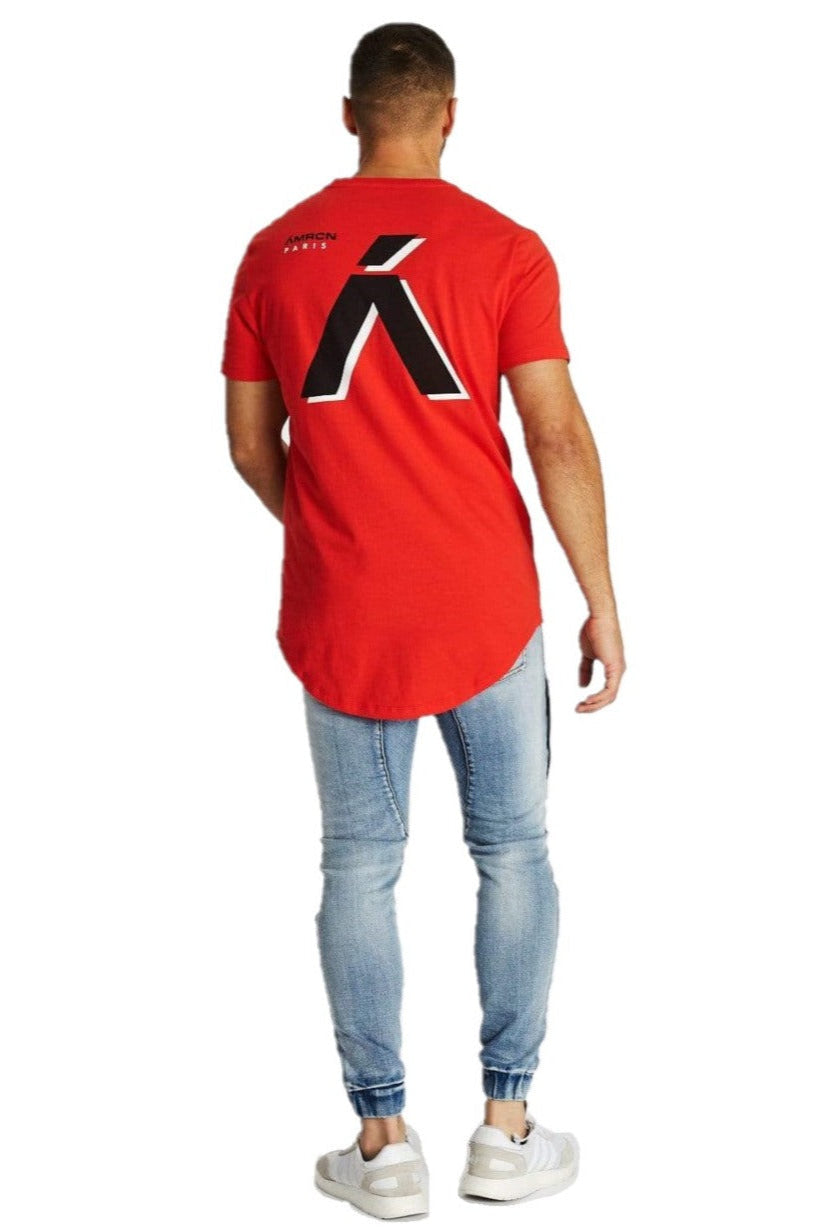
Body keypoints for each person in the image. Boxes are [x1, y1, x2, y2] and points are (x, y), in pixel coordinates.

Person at [220, 21, 626, 1219]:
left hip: (343, 608)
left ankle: (382, 1143)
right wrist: (602, 597)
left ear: (350, 115)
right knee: (513, 849)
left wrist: (333, 528)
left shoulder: (271, 252)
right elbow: (555, 434)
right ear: (450, 114)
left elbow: (248, 441)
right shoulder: (507, 248)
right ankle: (507, 1128)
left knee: (358, 862)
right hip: (485, 602)